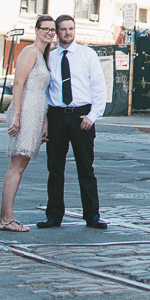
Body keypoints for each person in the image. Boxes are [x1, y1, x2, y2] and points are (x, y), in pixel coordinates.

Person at [36, 15, 108, 229]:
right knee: (55, 168)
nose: (68, 32)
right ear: (57, 32)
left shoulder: (87, 54)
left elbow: (99, 87)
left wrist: (92, 115)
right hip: (57, 115)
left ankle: (92, 215)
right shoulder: (49, 56)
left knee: (86, 168)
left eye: (71, 28)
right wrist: (45, 121)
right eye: (63, 29)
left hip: (81, 116)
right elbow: (46, 90)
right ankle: (54, 215)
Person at [0, 15, 57, 232]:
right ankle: (6, 218)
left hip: (36, 112)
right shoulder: (30, 52)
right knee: (16, 167)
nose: (49, 33)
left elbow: (45, 94)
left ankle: (5, 217)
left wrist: (45, 122)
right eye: (45, 29)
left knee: (19, 167)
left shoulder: (43, 56)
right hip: (25, 111)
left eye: (52, 30)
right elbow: (18, 83)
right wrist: (17, 116)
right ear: (36, 30)